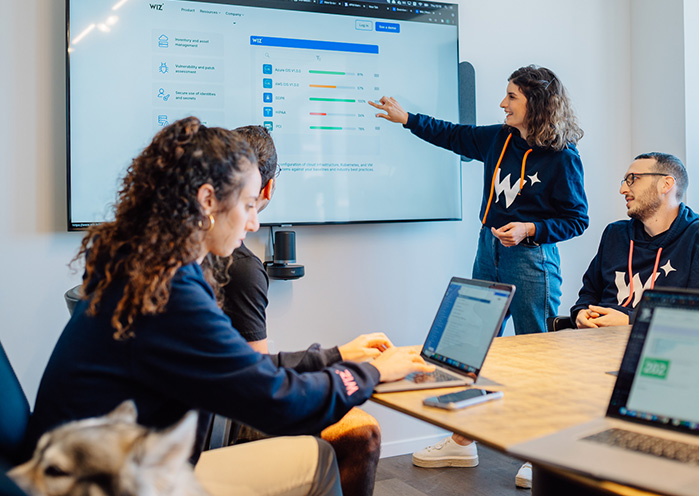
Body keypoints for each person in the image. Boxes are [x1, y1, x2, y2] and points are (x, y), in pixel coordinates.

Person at [23, 117, 434, 496]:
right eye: (249, 205)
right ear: (207, 200)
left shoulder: (149, 270)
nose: (254, 222)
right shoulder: (172, 293)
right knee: (322, 458)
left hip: (91, 469)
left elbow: (242, 366)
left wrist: (338, 356)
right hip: (109, 483)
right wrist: (373, 372)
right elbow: (277, 402)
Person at [370, 65, 588, 489]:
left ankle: (541, 452)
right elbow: (453, 135)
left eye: (511, 97)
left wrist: (531, 230)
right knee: (471, 347)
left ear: (536, 105)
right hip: (487, 251)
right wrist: (408, 119)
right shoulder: (498, 138)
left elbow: (577, 219)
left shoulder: (563, 155)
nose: (502, 104)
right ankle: (461, 440)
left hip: (532, 260)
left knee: (536, 355)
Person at [221, 125, 384, 496]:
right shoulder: (240, 267)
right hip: (223, 423)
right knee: (362, 431)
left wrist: (331, 357)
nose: (254, 224)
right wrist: (350, 371)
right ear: (268, 188)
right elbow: (257, 385)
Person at [572, 152, 699, 327]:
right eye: (624, 181)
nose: (623, 189)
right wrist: (581, 312)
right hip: (595, 340)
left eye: (633, 179)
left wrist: (630, 321)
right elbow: (589, 293)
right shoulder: (615, 233)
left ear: (666, 184)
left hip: (658, 346)